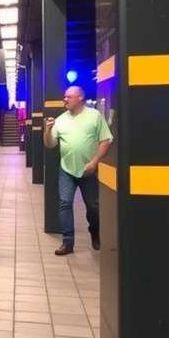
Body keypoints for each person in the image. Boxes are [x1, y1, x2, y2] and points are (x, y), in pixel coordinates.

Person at [44, 85, 113, 256]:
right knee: (65, 204)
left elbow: (106, 140)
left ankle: (95, 231)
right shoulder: (60, 120)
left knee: (93, 206)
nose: (65, 99)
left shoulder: (94, 116)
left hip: (88, 170)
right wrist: (47, 130)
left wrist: (95, 162)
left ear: (80, 97)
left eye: (69, 96)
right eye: (65, 97)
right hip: (66, 169)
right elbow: (50, 144)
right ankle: (67, 242)